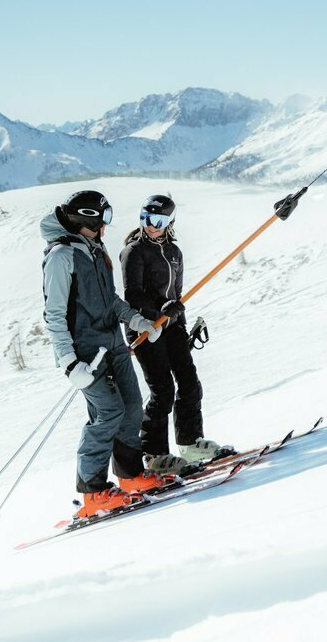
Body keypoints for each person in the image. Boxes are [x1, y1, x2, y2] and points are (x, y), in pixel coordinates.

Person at [40, 189, 170, 518]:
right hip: (85, 353)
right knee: (107, 413)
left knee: (132, 407)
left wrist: (137, 320)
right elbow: (54, 315)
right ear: (84, 220)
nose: (106, 226)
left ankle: (130, 476)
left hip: (113, 343)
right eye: (103, 219)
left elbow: (110, 299)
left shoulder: (95, 248)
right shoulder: (61, 256)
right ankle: (93, 491)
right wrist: (70, 364)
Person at [120, 194, 224, 474]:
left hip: (172, 327)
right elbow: (132, 294)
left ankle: (190, 442)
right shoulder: (134, 251)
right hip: (145, 328)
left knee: (190, 383)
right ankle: (155, 455)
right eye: (145, 218)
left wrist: (180, 324)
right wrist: (159, 309)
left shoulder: (174, 252)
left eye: (157, 220)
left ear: (170, 222)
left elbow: (177, 296)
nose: (150, 225)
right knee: (163, 391)